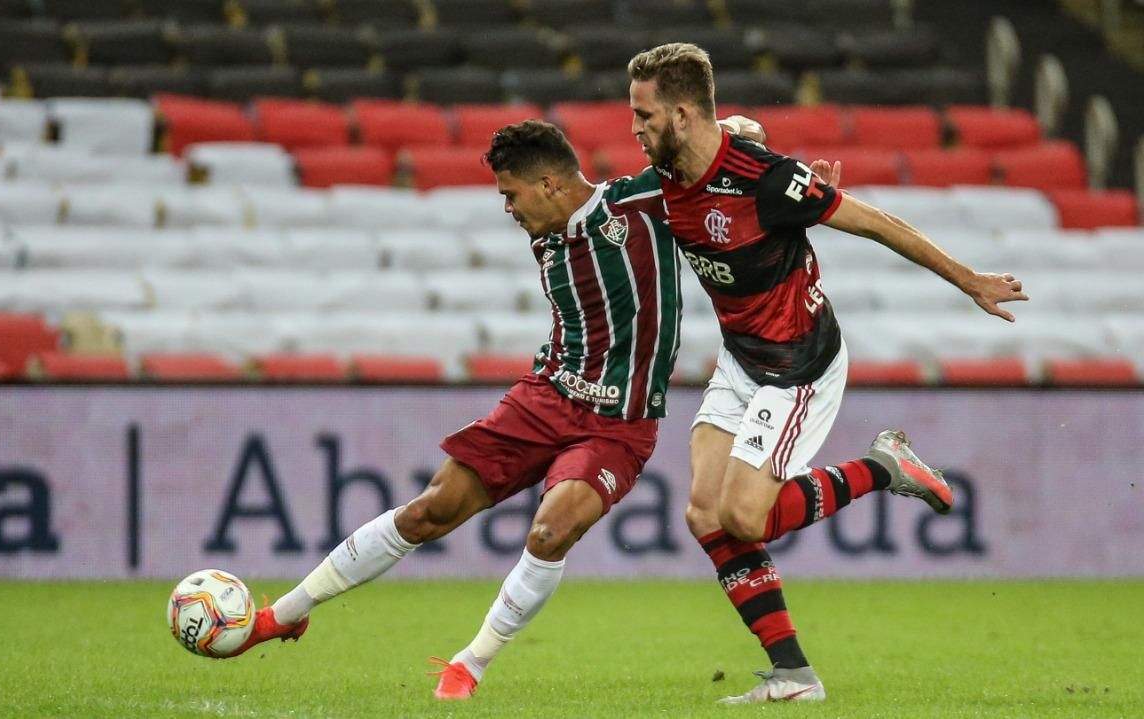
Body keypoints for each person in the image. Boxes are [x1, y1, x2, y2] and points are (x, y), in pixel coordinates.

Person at [221, 119, 695, 700]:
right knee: (430, 511)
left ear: (548, 184)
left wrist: (731, 135)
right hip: (546, 398)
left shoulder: (640, 202)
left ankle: (469, 664)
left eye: (510, 195)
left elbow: (707, 159)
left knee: (551, 532)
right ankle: (285, 614)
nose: (508, 209)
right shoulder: (549, 232)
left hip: (619, 421)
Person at [625, 43, 1030, 704]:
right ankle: (793, 674)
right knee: (704, 512)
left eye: (643, 116)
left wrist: (968, 280)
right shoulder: (676, 164)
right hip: (742, 356)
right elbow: (738, 130)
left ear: (680, 114)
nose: (634, 130)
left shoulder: (765, 179)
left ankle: (884, 466)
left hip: (798, 363)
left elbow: (873, 222)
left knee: (744, 516)